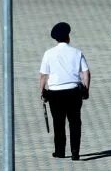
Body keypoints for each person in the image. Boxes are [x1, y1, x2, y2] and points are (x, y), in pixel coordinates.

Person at [38, 21, 89, 161]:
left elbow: (43, 75)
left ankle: (60, 151)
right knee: (75, 122)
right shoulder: (77, 52)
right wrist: (86, 89)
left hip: (55, 93)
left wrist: (42, 92)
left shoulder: (48, 53)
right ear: (68, 37)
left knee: (58, 123)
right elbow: (86, 72)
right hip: (73, 92)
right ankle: (75, 152)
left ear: (56, 39)